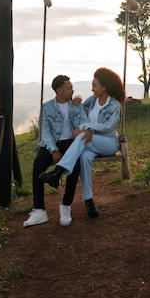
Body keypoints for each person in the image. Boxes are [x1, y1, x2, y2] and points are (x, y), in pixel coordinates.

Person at [40, 67, 125, 218]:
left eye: (95, 86)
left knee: (81, 138)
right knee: (84, 157)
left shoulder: (114, 104)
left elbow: (108, 127)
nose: (92, 89)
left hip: (107, 142)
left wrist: (87, 127)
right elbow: (78, 110)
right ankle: (88, 199)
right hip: (89, 142)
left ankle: (58, 171)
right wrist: (76, 99)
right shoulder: (92, 101)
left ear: (104, 87)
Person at [23, 74, 88, 228]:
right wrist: (53, 150)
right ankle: (39, 210)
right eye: (69, 88)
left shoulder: (76, 105)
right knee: (38, 163)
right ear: (59, 90)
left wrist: (80, 128)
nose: (72, 91)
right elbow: (44, 132)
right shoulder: (47, 107)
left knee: (75, 164)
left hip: (70, 142)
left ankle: (65, 205)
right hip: (50, 144)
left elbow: (85, 121)